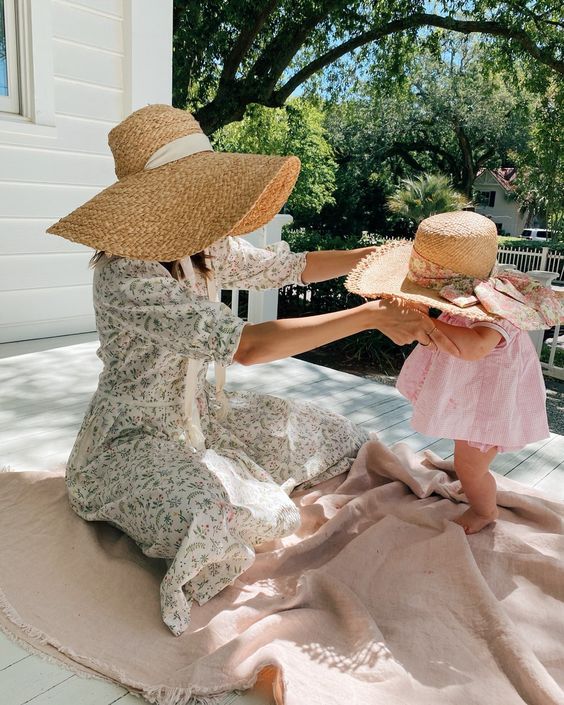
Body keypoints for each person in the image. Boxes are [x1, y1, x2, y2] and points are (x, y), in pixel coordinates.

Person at [46, 104, 456, 635]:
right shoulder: (126, 276)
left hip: (202, 418)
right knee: (213, 515)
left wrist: (379, 258)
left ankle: (231, 479)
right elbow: (246, 347)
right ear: (158, 196)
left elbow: (288, 267)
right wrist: (370, 315)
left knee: (327, 431)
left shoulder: (200, 245)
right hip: (131, 439)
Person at [346, 210, 563, 534]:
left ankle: (484, 510)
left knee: (468, 465)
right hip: (473, 394)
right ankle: (474, 485)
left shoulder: (497, 308)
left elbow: (475, 347)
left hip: (492, 406)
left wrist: (425, 323)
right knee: (467, 458)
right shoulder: (463, 303)